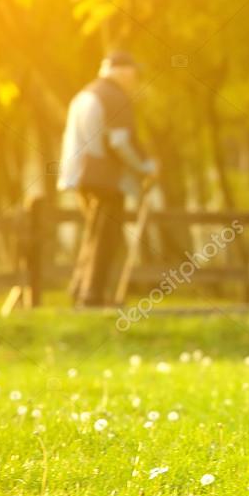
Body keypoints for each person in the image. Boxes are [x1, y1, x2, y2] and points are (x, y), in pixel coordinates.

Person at [57, 50, 157, 307]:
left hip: (80, 175)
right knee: (105, 236)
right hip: (104, 177)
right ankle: (93, 296)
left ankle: (80, 288)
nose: (135, 78)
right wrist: (145, 167)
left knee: (93, 233)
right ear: (124, 72)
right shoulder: (114, 97)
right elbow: (120, 142)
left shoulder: (86, 93)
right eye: (133, 72)